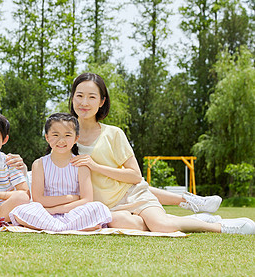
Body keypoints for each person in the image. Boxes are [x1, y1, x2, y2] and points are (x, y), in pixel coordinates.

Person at [67, 72, 255, 234]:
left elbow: (135, 176)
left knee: (161, 225)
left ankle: (219, 226)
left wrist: (94, 166)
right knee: (120, 223)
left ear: (102, 102)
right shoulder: (63, 135)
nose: (84, 102)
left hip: (133, 195)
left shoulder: (113, 133)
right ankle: (195, 218)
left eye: (92, 97)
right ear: (72, 98)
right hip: (106, 207)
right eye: (79, 96)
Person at [9, 113, 114, 231]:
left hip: (73, 212)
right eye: (55, 135)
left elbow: (86, 200)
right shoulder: (39, 164)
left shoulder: (81, 165)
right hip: (45, 213)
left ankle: (56, 228)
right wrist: (71, 198)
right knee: (22, 210)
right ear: (47, 137)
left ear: (76, 138)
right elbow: (39, 199)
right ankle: (77, 228)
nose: (61, 140)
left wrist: (55, 209)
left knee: (98, 208)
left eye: (67, 135)